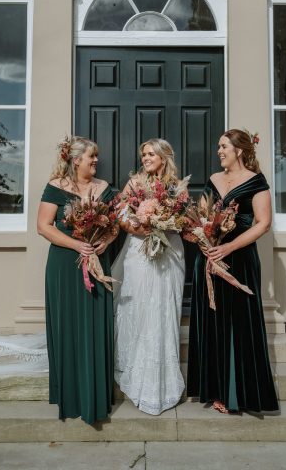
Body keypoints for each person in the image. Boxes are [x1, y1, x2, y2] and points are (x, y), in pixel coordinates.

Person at [187, 128, 279, 414]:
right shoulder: (214, 179)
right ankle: (215, 390)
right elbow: (200, 215)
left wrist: (228, 248)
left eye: (224, 146)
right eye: (218, 146)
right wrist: (203, 241)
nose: (219, 151)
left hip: (239, 260)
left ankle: (239, 393)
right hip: (208, 259)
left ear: (239, 150)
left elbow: (263, 223)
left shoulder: (256, 182)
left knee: (238, 323)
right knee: (212, 324)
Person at [37, 136, 117, 424]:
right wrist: (75, 245)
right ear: (75, 160)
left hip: (97, 261)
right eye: (91, 157)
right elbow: (43, 227)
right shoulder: (56, 187)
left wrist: (106, 242)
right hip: (64, 266)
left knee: (95, 326)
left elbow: (115, 227)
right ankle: (69, 395)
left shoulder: (105, 189)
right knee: (68, 326)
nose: (96, 161)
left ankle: (95, 395)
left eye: (96, 156)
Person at [113, 138, 186, 415]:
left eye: (151, 153)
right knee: (140, 307)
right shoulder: (134, 182)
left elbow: (185, 218)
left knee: (164, 308)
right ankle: (134, 369)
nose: (145, 157)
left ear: (164, 156)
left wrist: (167, 222)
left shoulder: (177, 187)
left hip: (169, 251)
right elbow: (119, 211)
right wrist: (135, 228)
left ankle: (163, 379)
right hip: (139, 249)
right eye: (143, 153)